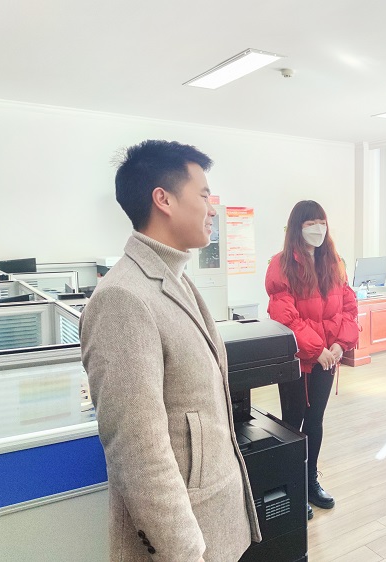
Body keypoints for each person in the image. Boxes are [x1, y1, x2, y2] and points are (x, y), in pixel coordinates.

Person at [80, 140, 260, 562]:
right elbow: (138, 453)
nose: (212, 209)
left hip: (215, 521)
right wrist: (184, 553)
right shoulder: (123, 298)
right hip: (184, 543)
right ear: (163, 199)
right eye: (204, 195)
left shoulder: (176, 278)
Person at [265, 200, 359, 520]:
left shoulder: (334, 262)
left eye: (322, 222)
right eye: (310, 223)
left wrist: (340, 344)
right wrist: (317, 349)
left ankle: (310, 481)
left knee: (315, 420)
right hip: (297, 360)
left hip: (327, 359)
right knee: (292, 423)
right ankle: (291, 485)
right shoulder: (281, 265)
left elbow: (349, 308)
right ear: (297, 227)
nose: (318, 229)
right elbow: (284, 316)